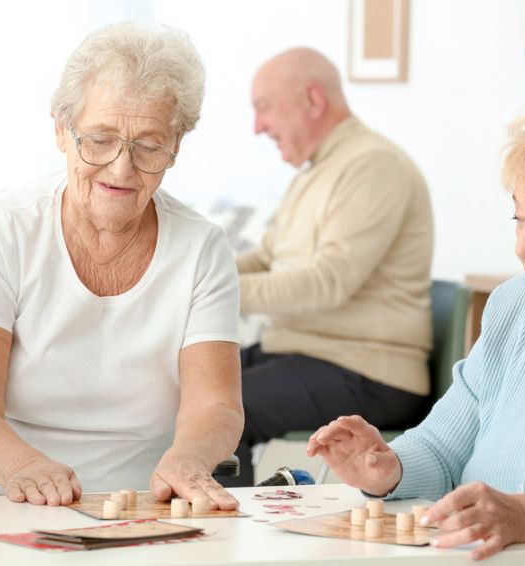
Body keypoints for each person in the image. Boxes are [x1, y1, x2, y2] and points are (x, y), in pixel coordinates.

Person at [0, 23, 243, 509]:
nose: (121, 167)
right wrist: (24, 467)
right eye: (100, 139)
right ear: (60, 130)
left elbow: (215, 404)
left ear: (176, 146)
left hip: (137, 497)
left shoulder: (202, 248)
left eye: (149, 146)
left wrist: (190, 460)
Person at [308, 107, 525, 561]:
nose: (524, 246)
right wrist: (385, 467)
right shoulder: (511, 306)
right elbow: (442, 445)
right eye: (519, 219)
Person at [225, 48, 434, 485]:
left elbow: (327, 283)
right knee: (184, 381)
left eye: (264, 108)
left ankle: (227, 538)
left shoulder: (372, 166)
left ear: (313, 100)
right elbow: (266, 257)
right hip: (306, 353)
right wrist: (195, 271)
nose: (256, 126)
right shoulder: (313, 172)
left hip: (367, 371)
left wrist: (213, 290)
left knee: (220, 412)